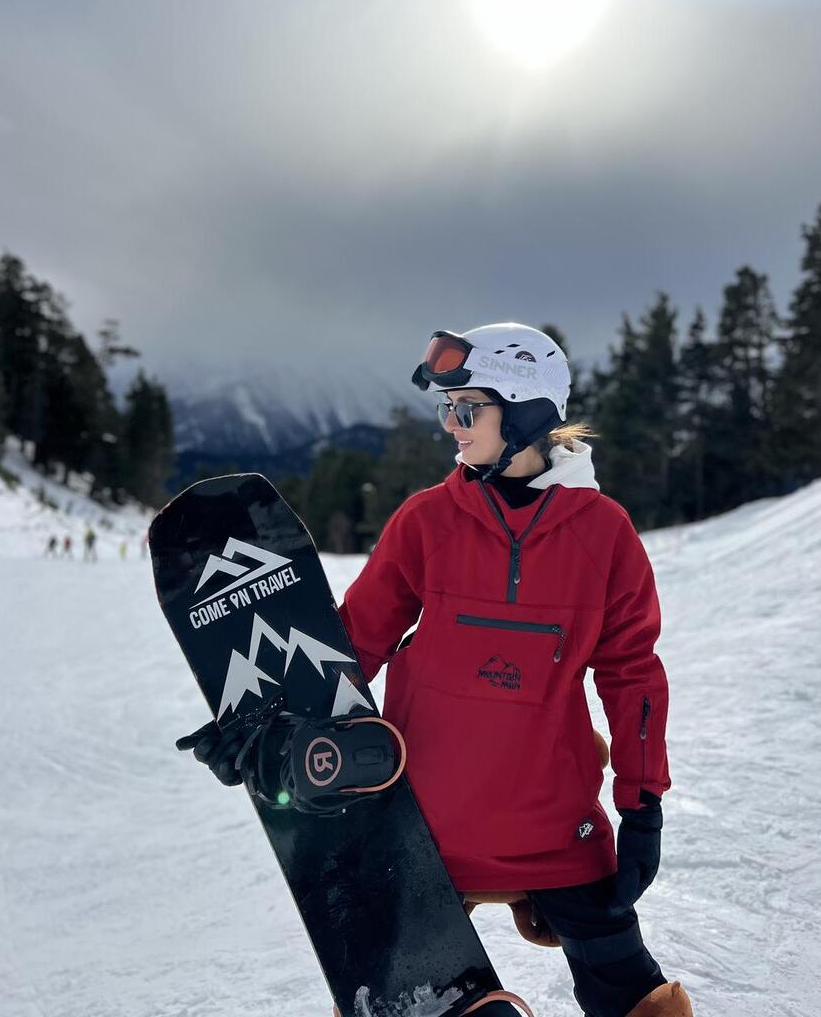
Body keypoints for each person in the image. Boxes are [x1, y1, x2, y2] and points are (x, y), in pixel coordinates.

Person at [179, 323, 691, 1017]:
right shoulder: (428, 521)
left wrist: (643, 806)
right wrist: (262, 727)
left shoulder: (604, 536)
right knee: (400, 997)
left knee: (633, 998)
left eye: (467, 409)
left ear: (528, 411)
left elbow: (632, 677)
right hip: (420, 833)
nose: (450, 425)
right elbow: (349, 649)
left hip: (553, 830)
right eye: (446, 408)